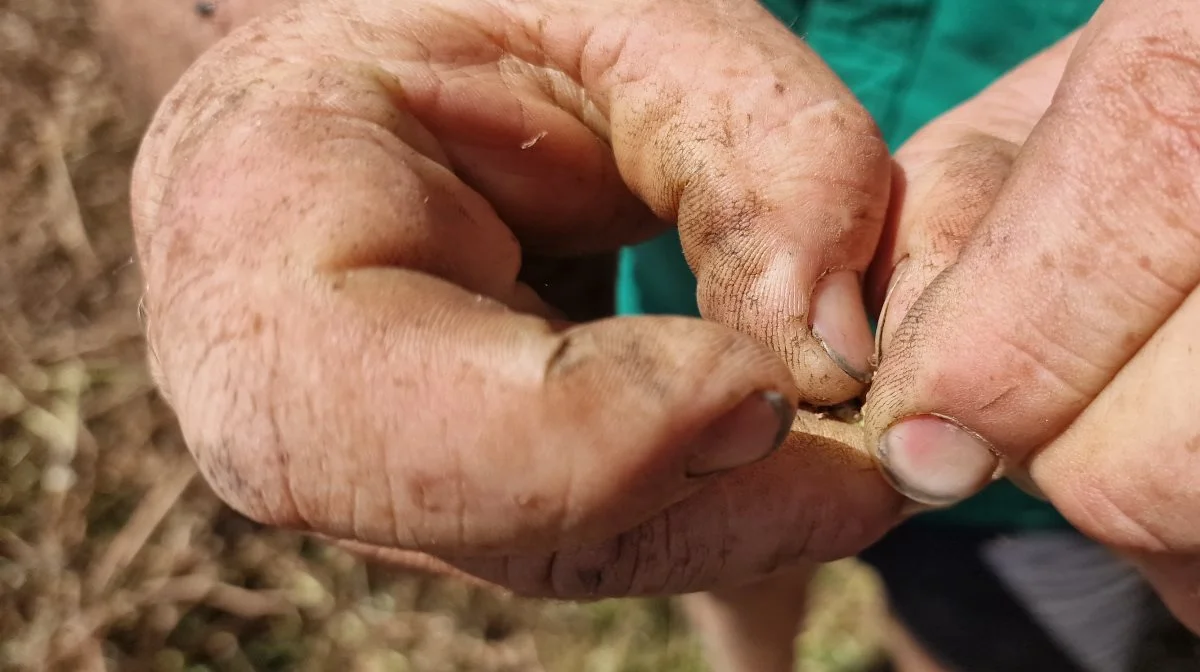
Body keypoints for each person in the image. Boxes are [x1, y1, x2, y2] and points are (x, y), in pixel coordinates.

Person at [96, 0, 1200, 670]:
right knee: (716, 518)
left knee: (980, 636)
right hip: (685, 294)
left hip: (1068, 446)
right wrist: (253, 48)